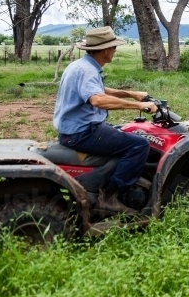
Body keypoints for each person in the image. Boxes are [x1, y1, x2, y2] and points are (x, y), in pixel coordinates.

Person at [53, 26, 158, 215]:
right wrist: (139, 106)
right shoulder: (87, 71)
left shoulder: (82, 65)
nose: (115, 51)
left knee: (125, 135)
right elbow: (97, 99)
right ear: (105, 50)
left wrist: (132, 94)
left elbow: (99, 89)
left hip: (74, 129)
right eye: (114, 47)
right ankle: (110, 197)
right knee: (139, 145)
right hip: (83, 132)